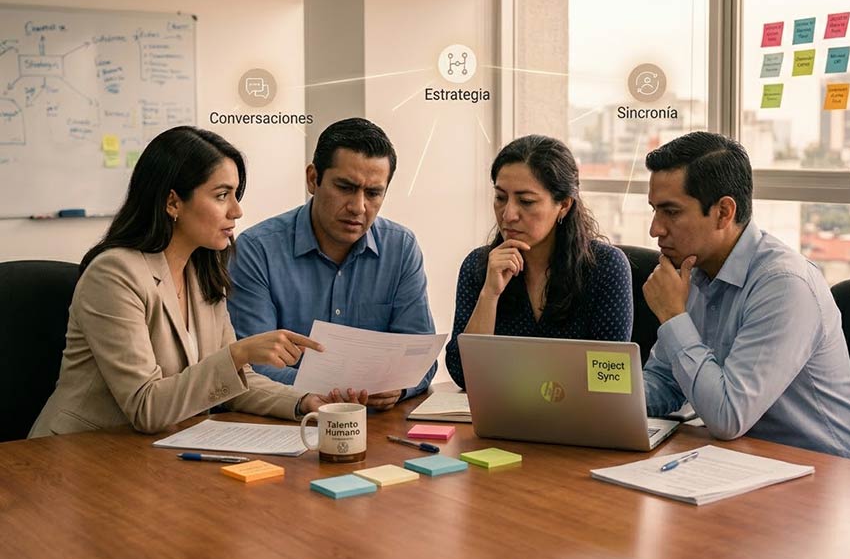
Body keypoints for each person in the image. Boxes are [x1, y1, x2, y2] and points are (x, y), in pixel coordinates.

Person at [30, 126, 363, 438]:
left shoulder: (202, 272)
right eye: (222, 195)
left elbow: (238, 381)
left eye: (236, 195)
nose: (237, 211)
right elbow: (146, 407)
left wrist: (303, 402)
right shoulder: (115, 275)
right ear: (173, 202)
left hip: (149, 454)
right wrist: (238, 353)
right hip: (76, 455)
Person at [641, 131, 850, 457]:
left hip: (818, 474)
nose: (655, 229)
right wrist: (598, 401)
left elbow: (727, 416)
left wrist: (672, 315)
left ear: (724, 212)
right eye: (654, 210)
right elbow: (664, 381)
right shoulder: (692, 272)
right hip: (741, 461)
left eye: (671, 212)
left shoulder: (784, 285)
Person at [227, 117, 436, 410]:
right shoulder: (256, 249)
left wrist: (400, 388)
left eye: (373, 193)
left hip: (375, 425)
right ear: (313, 179)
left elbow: (420, 358)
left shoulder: (401, 247)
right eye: (345, 187)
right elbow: (251, 366)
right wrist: (338, 393)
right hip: (289, 423)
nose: (358, 207)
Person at [445, 134, 633, 389]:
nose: (508, 214)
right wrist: (489, 295)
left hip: (579, 420)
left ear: (564, 205)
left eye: (526, 201)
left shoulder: (606, 266)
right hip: (502, 418)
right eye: (500, 198)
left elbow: (610, 378)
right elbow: (462, 374)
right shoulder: (479, 265)